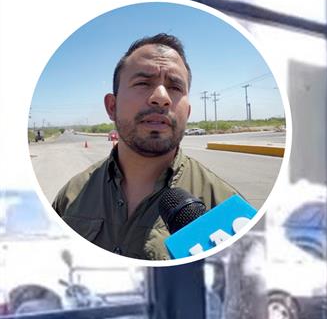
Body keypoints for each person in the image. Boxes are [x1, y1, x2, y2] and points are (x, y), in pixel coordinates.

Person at [52, 33, 240, 260]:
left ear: (188, 113)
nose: (161, 97)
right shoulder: (71, 196)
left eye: (175, 87)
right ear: (112, 106)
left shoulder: (227, 211)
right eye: (143, 83)